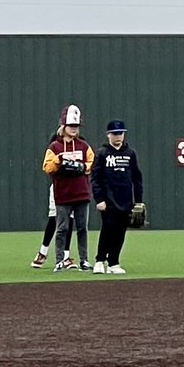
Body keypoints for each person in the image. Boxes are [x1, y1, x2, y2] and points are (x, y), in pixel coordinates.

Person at [42, 104, 94, 272]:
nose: (74, 129)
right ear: (63, 126)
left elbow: (91, 163)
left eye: (76, 126)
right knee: (62, 228)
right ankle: (59, 261)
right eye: (71, 126)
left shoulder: (84, 146)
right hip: (63, 194)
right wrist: (60, 161)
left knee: (82, 229)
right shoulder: (54, 147)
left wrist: (80, 166)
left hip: (81, 193)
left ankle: (84, 260)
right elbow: (47, 167)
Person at [91, 119, 144, 275]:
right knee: (108, 229)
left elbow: (137, 178)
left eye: (120, 133)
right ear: (108, 135)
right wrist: (99, 199)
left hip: (125, 200)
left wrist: (138, 202)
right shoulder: (102, 153)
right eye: (115, 134)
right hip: (108, 201)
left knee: (120, 232)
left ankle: (114, 262)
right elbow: (95, 178)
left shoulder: (130, 153)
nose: (118, 137)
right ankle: (100, 260)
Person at [31, 125, 75, 269]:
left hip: (75, 187)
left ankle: (66, 257)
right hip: (58, 186)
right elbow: (49, 166)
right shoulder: (55, 142)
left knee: (70, 220)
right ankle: (42, 253)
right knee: (54, 219)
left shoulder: (79, 143)